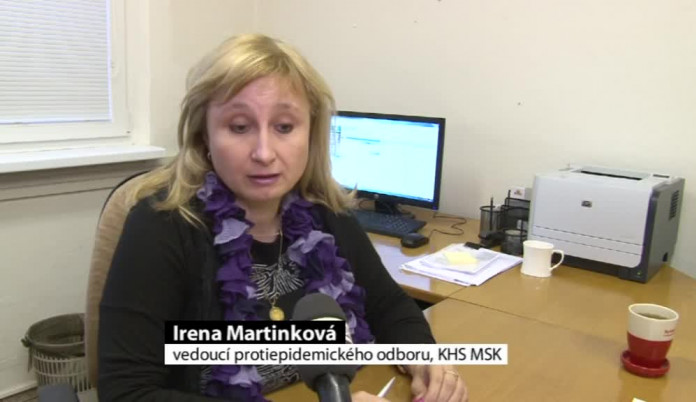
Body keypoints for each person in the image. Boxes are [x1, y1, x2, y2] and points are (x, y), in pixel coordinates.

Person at [98, 33, 468, 402]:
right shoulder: (161, 227)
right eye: (239, 127)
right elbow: (126, 393)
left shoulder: (327, 215)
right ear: (204, 136)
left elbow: (389, 305)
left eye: (285, 127)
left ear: (311, 133)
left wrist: (425, 358)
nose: (264, 153)